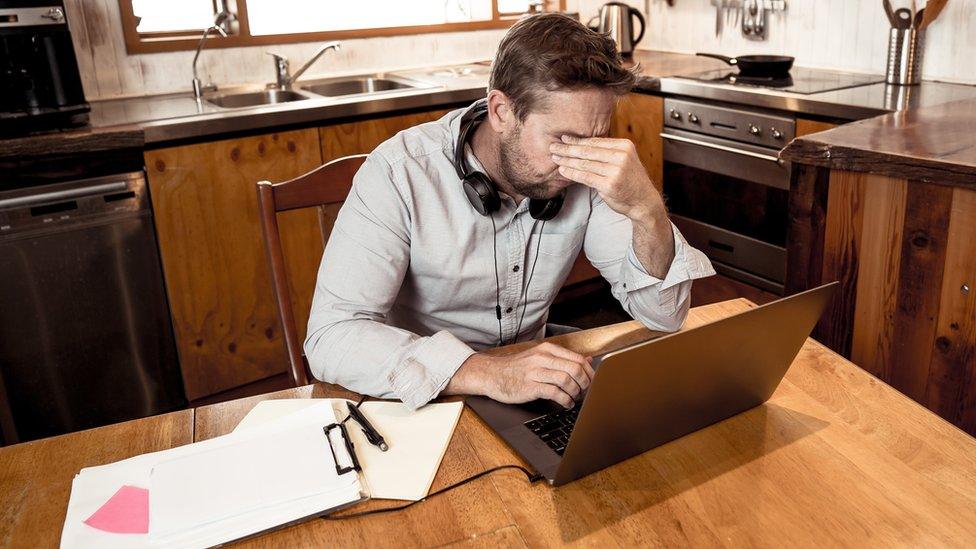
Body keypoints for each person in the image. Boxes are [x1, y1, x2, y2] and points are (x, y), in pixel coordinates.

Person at [304, 13, 714, 410]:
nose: (578, 159)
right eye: (562, 138)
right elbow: (331, 336)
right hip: (422, 400)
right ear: (501, 112)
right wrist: (489, 373)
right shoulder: (399, 172)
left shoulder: (585, 170)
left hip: (534, 390)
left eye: (595, 137)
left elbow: (664, 314)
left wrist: (647, 211)